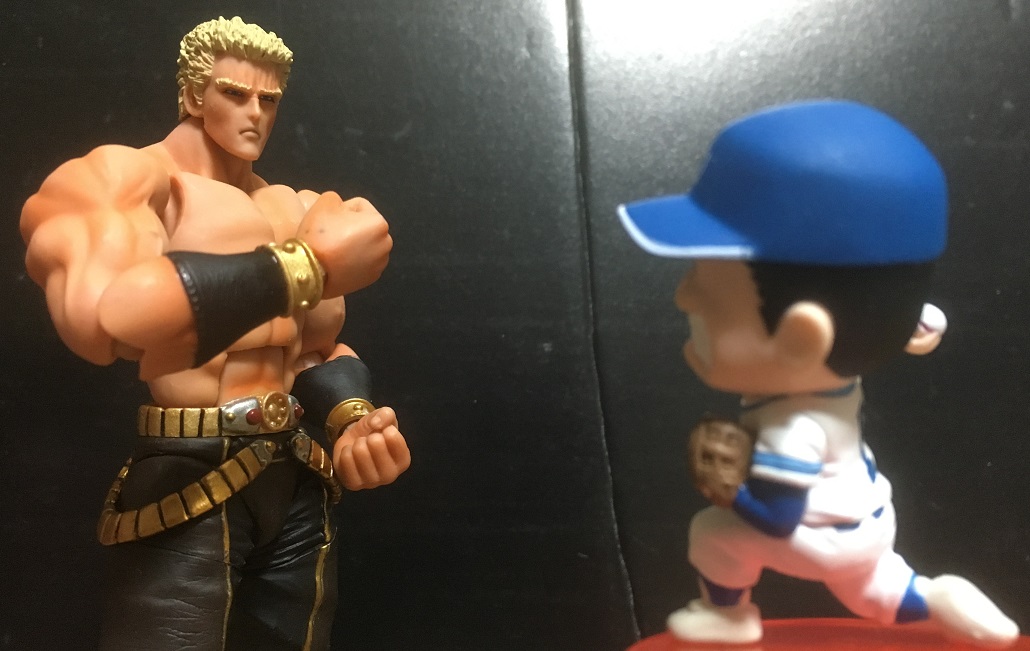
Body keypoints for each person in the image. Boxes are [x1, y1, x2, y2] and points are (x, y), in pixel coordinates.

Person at [20, 16, 410, 651]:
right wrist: (305, 266)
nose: (255, 113)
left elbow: (311, 349)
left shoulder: (292, 206)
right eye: (235, 93)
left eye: (269, 99)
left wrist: (352, 419)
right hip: (191, 471)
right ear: (194, 94)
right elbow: (105, 316)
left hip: (293, 471)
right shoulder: (131, 180)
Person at [618, 100, 1019, 647]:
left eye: (706, 292)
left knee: (713, 532)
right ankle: (937, 599)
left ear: (800, 338)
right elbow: (902, 322)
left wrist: (729, 493)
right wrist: (907, 320)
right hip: (870, 520)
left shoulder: (790, 429)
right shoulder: (845, 373)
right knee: (879, 595)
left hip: (818, 535)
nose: (683, 295)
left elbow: (778, 519)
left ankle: (729, 617)